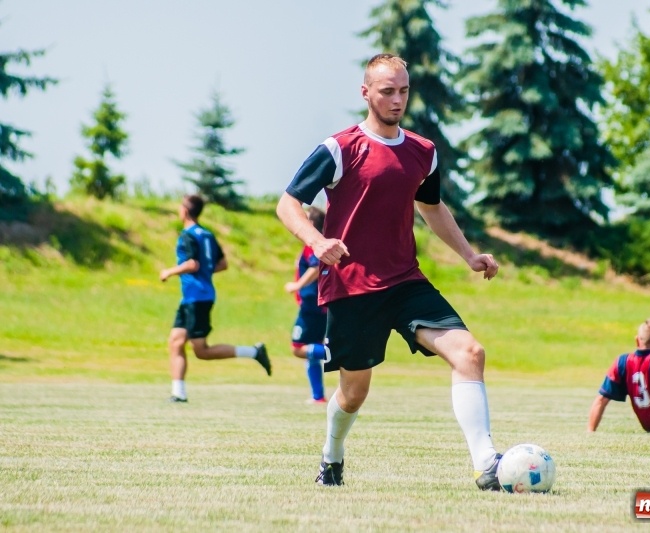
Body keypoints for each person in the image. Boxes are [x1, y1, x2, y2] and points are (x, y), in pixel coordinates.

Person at [276, 53, 503, 490]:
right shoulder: (339, 149)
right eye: (387, 91)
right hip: (351, 285)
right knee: (355, 392)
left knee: (470, 353)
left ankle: (486, 464)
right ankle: (332, 456)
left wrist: (469, 255)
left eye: (403, 91)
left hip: (404, 281)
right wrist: (318, 242)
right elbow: (288, 204)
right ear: (366, 93)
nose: (397, 100)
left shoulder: (423, 152)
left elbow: (432, 208)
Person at [160, 194, 272, 402]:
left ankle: (254, 352)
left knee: (201, 351)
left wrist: (169, 271)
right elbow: (222, 264)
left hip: (197, 297)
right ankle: (178, 393)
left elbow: (193, 264)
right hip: (193, 297)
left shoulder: (187, 235)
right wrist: (204, 274)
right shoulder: (207, 235)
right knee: (175, 341)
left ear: (185, 211)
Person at [284, 206, 329, 405]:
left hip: (312, 304)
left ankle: (337, 352)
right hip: (317, 304)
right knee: (311, 352)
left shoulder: (314, 243)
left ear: (311, 224)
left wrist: (298, 285)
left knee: (298, 348)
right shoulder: (314, 243)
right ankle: (318, 396)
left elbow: (317, 265)